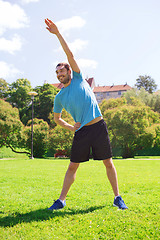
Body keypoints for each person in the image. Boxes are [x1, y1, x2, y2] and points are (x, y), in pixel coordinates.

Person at [45, 18, 128, 210]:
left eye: (62, 70)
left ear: (69, 71)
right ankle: (61, 200)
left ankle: (117, 197)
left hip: (98, 127)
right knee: (73, 166)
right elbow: (57, 119)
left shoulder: (79, 79)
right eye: (57, 72)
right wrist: (69, 126)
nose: (59, 74)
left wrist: (57, 33)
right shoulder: (59, 97)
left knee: (108, 162)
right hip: (81, 132)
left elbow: (70, 53)